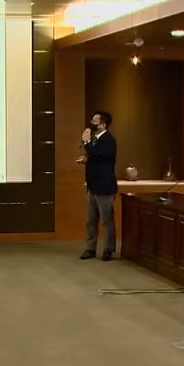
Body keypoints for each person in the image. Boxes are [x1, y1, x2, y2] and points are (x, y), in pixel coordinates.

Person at [78, 111, 117, 260]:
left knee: (107, 220)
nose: (92, 124)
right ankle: (90, 248)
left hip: (104, 187)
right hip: (92, 186)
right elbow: (94, 157)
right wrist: (86, 159)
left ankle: (108, 249)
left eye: (95, 121)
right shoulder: (95, 139)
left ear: (103, 125)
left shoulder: (109, 140)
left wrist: (87, 142)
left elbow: (101, 156)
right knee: (91, 220)